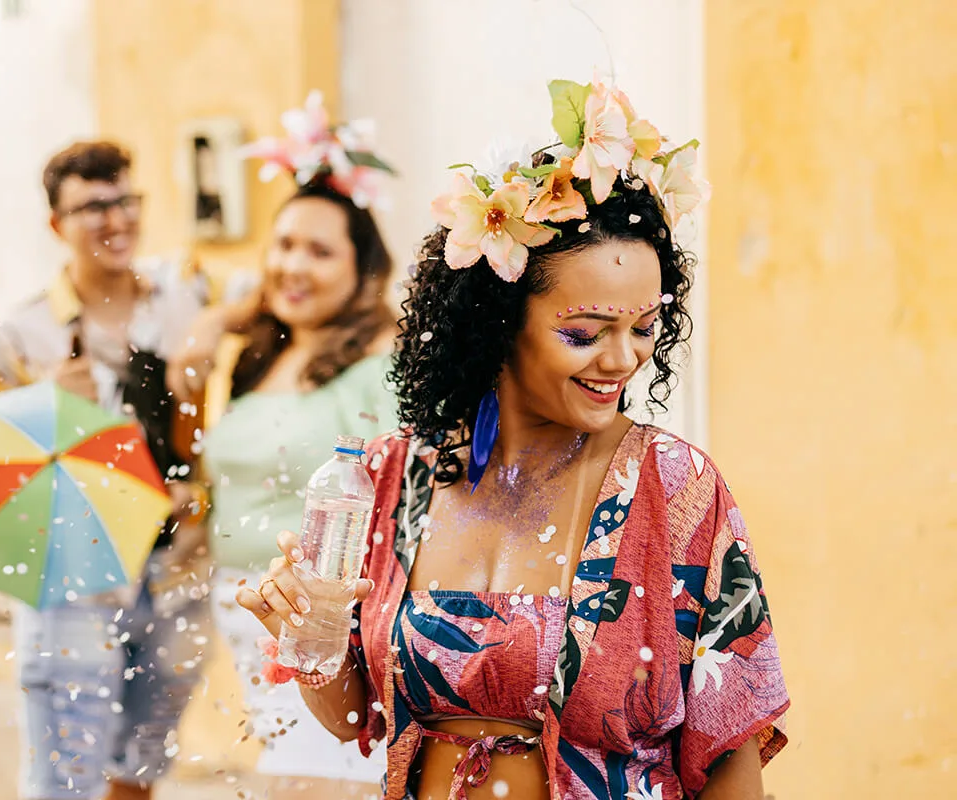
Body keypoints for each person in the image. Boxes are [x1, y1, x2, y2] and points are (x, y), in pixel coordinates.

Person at [238, 79, 791, 799]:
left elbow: (729, 753)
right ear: (497, 320)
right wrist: (313, 633)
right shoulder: (389, 479)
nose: (623, 360)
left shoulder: (675, 491)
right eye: (584, 333)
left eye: (644, 329)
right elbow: (352, 720)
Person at [0, 140, 210, 800]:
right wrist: (45, 405)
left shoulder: (182, 300)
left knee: (142, 760)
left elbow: (259, 298)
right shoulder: (16, 335)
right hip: (75, 567)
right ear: (57, 225)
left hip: (175, 564)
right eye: (93, 207)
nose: (116, 220)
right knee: (65, 773)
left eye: (126, 201)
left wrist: (213, 330)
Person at [180, 93, 398, 798]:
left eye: (319, 250)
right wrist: (214, 329)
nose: (293, 266)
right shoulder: (258, 354)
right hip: (241, 613)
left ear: (363, 270)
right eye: (284, 245)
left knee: (312, 783)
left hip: (326, 626)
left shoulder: (383, 359)